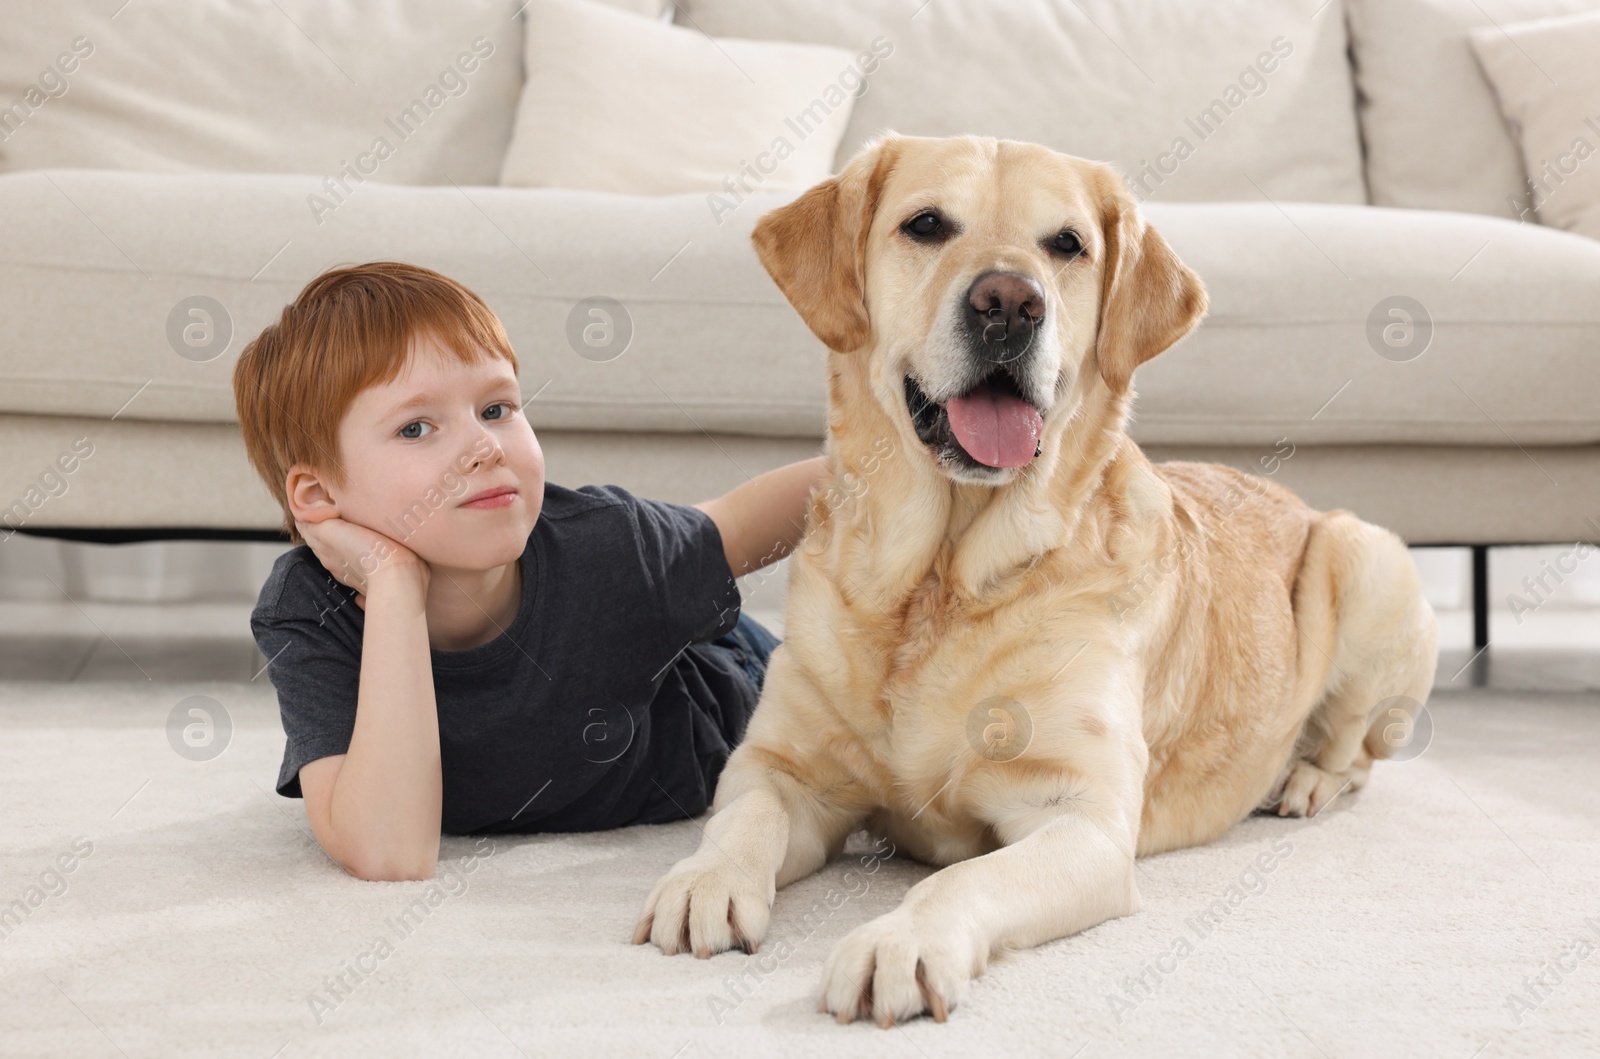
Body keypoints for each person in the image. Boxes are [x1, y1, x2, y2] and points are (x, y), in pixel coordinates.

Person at [232, 261, 818, 881]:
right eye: (415, 427)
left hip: (731, 687)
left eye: (496, 409)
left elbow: (740, 521)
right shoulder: (306, 609)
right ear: (320, 495)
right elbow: (390, 852)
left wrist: (890, 469)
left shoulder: (605, 543)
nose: (485, 447)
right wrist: (394, 588)